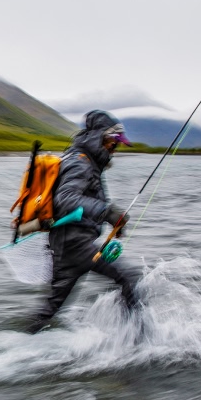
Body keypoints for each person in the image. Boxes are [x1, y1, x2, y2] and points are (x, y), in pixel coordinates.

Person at [26, 110, 141, 333]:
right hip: (76, 245)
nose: (114, 148)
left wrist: (112, 221)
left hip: (64, 245)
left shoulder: (80, 159)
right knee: (130, 279)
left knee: (49, 310)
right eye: (112, 142)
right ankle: (138, 341)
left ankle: (19, 345)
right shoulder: (80, 162)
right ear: (100, 137)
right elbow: (66, 198)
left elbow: (80, 203)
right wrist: (108, 212)